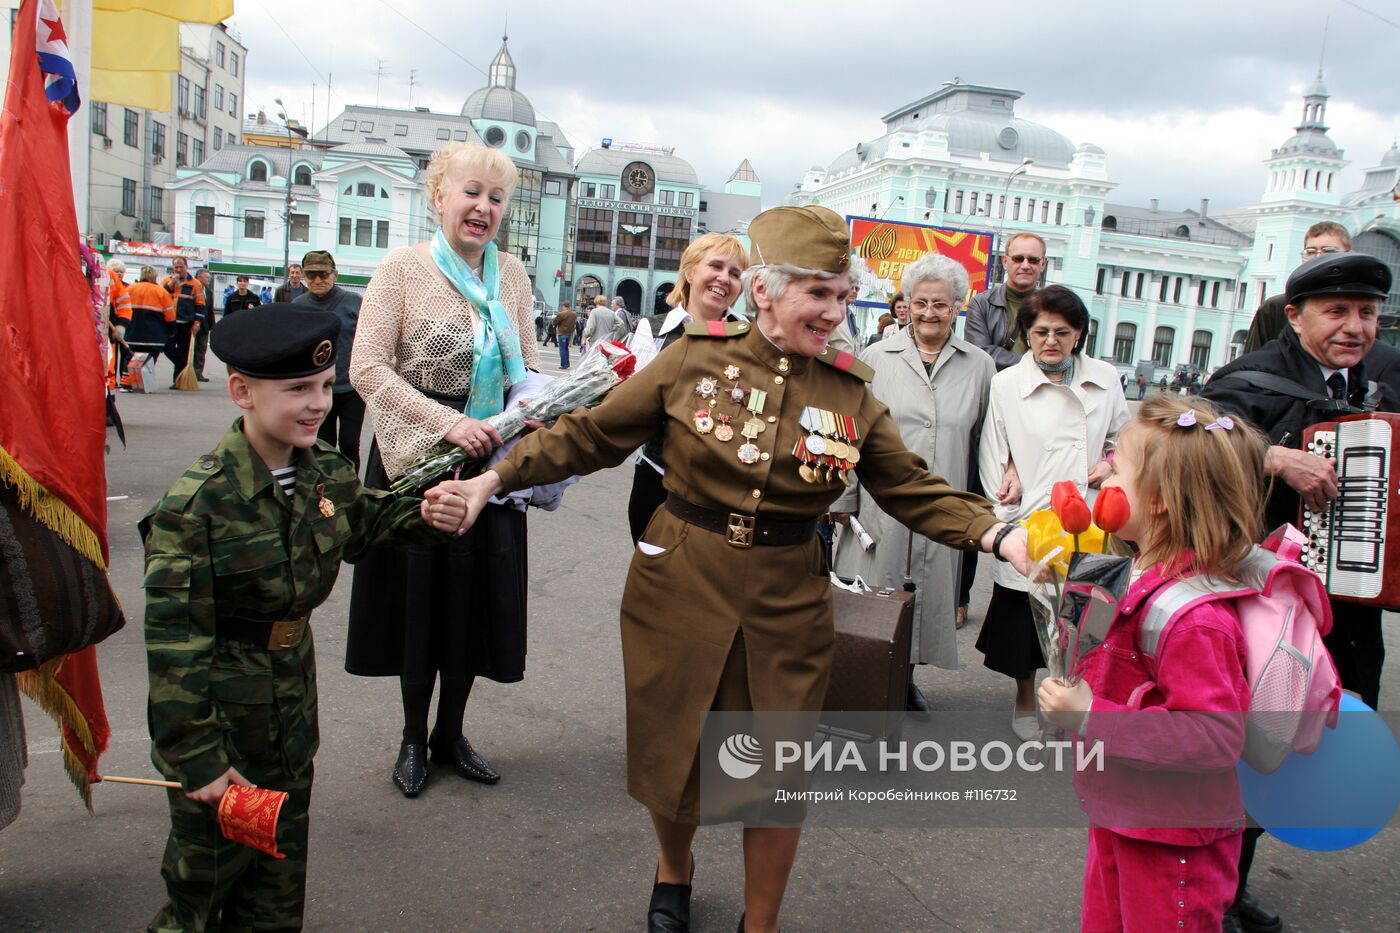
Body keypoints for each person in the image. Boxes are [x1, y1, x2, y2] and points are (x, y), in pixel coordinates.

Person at [437, 205, 1033, 933]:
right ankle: (675, 867)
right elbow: (591, 435)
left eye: (844, 295)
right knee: (675, 751)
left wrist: (998, 536)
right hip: (681, 582)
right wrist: (489, 482)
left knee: (774, 775)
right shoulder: (692, 359)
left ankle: (762, 921)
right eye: (819, 293)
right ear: (765, 292)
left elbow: (912, 487)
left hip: (789, 598)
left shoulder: (849, 393)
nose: (835, 311)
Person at [140, 305, 467, 931]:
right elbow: (176, 648)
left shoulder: (326, 474)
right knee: (205, 894)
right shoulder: (197, 505)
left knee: (277, 891)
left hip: (289, 722)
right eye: (296, 390)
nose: (318, 403)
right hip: (226, 735)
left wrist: (437, 510)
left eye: (324, 386)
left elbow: (369, 524)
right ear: (242, 392)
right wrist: (199, 757)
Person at [1201, 252, 1396, 933]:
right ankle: (1213, 889)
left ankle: (1234, 878)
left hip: (1349, 604)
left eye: (1367, 313)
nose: (1355, 327)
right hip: (1264, 603)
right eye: (1337, 312)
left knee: (1315, 733)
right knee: (1251, 741)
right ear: (1295, 315)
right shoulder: (1248, 380)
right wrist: (1271, 455)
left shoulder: (1387, 380)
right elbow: (1188, 435)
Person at [346, 141, 540, 798]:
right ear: (439, 196)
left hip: (487, 462)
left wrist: (542, 406)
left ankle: (451, 733)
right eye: (472, 192)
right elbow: (366, 369)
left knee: (475, 602)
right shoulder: (401, 269)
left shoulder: (510, 275)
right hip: (416, 460)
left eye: (496, 197)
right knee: (418, 604)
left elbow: (528, 371)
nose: (483, 207)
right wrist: (444, 421)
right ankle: (410, 735)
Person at [1038, 395, 1267, 933]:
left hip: (1176, 839)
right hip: (1128, 812)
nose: (1103, 478)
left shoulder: (1197, 620)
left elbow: (1212, 736)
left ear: (1160, 500)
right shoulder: (1136, 570)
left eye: (1116, 468)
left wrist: (1092, 716)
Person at [830, 253, 995, 715]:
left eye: (940, 304)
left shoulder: (980, 366)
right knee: (874, 588)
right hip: (879, 500)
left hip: (941, 498)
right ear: (906, 303)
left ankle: (903, 679)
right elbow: (848, 429)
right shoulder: (876, 356)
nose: (928, 313)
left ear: (958, 306)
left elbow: (985, 440)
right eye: (920, 302)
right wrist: (844, 496)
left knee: (924, 593)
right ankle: (865, 678)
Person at [978, 284, 1129, 740]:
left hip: (1091, 519)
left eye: (1062, 332)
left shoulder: (1105, 378)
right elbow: (993, 449)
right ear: (1025, 333)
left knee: (1084, 621)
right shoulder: (1007, 383)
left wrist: (1109, 462)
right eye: (1040, 331)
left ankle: (1070, 699)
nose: (1050, 341)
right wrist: (1005, 501)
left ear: (1079, 334)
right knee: (1026, 621)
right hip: (1034, 516)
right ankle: (1026, 697)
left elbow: (1125, 438)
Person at [626, 232, 748, 543]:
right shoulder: (652, 329)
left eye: (735, 273)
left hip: (726, 491)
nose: (724, 278)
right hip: (657, 482)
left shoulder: (750, 337)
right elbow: (630, 405)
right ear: (690, 271)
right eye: (716, 266)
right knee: (656, 582)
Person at [293, 250, 365, 471]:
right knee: (322, 444)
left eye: (323, 275)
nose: (317, 280)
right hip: (316, 390)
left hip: (351, 388)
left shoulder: (354, 302)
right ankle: (326, 488)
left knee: (349, 443)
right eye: (311, 275)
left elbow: (368, 340)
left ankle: (351, 487)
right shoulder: (298, 305)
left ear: (335, 274)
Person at [1242, 221, 1351, 353]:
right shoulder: (1276, 307)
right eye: (1311, 251)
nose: (1318, 257)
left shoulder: (1360, 308)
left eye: (1329, 251)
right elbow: (1251, 363)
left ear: (1349, 254)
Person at [964, 231, 1046, 370]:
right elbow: (981, 354)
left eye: (1033, 260)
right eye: (1018, 259)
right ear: (1005, 261)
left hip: (1038, 389)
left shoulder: (1053, 308)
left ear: (1043, 264)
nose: (1025, 265)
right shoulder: (981, 304)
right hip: (993, 387)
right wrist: (1036, 365)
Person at [122, 265, 176, 389]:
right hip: (154, 335)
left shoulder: (130, 289)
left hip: (132, 333)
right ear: (155, 276)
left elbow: (122, 308)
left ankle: (126, 383)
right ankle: (145, 384)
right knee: (150, 359)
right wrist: (171, 331)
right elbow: (170, 315)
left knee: (130, 357)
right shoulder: (161, 291)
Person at [161, 256, 205, 389]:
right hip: (169, 321)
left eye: (181, 267)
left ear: (186, 266)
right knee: (166, 347)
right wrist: (170, 285)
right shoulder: (166, 281)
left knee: (184, 350)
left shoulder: (195, 283)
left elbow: (200, 305)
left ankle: (178, 380)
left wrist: (197, 323)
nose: (178, 269)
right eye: (176, 267)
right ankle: (183, 365)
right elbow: (160, 295)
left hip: (186, 322)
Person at [192, 268, 216, 382]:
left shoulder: (208, 292)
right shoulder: (191, 289)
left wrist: (212, 326)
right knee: (190, 349)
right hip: (192, 324)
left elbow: (210, 310)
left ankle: (198, 372)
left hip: (204, 325)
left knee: (201, 349)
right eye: (207, 278)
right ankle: (187, 372)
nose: (209, 280)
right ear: (199, 277)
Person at [552, 301, 577, 368]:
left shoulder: (561, 314)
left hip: (562, 333)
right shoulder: (574, 314)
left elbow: (555, 322)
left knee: (562, 350)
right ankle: (567, 364)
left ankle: (564, 365)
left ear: (564, 306)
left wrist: (554, 324)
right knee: (566, 349)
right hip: (570, 333)